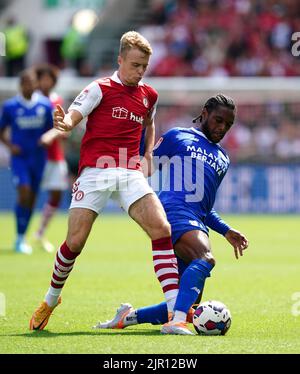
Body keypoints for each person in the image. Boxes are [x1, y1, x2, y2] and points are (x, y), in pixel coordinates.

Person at [29, 31, 180, 331]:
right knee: (76, 241)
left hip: (128, 172)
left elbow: (149, 125)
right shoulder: (99, 88)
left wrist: (147, 154)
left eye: (144, 67)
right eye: (135, 65)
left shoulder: (149, 95)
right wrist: (64, 123)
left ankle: (177, 314)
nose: (139, 72)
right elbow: (74, 116)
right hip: (95, 171)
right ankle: (50, 300)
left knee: (161, 228)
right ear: (120, 59)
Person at [94, 94, 249, 335]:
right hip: (173, 213)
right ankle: (175, 323)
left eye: (228, 125)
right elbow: (141, 160)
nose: (222, 128)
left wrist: (226, 230)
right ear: (205, 113)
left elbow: (204, 207)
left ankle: (128, 317)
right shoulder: (179, 137)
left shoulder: (223, 158)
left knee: (188, 305)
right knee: (205, 258)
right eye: (218, 120)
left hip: (196, 220)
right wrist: (145, 127)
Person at [0, 69, 54, 254]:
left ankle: (22, 235)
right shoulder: (10, 106)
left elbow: (52, 129)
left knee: (31, 198)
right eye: (26, 83)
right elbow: (1, 130)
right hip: (20, 159)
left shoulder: (45, 105)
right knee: (24, 192)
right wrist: (9, 145)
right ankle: (19, 238)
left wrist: (47, 138)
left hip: (39, 158)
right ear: (21, 85)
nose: (30, 86)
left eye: (32, 82)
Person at [33, 64, 69, 253]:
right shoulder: (34, 101)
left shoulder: (57, 100)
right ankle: (21, 235)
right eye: (43, 78)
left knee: (56, 194)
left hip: (55, 155)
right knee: (28, 194)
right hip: (36, 155)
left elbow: (63, 127)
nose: (46, 82)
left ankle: (40, 232)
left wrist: (63, 132)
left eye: (49, 78)